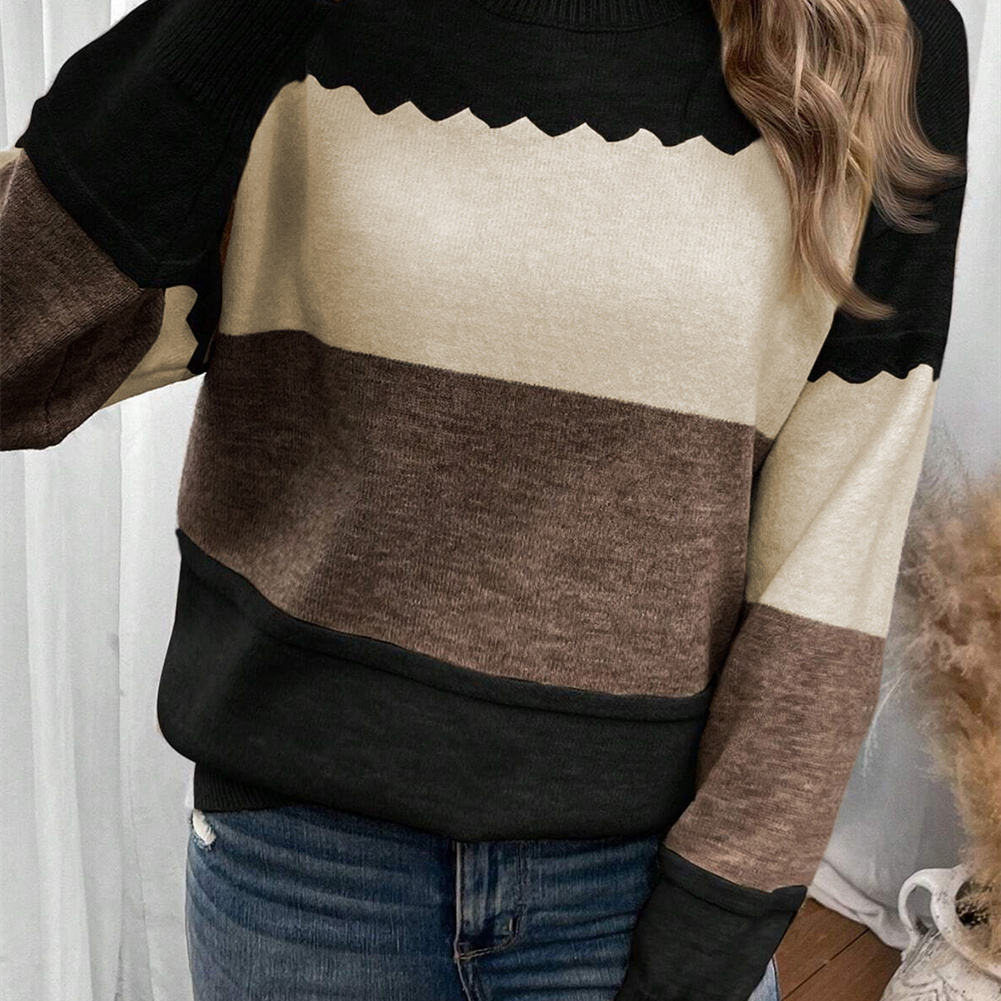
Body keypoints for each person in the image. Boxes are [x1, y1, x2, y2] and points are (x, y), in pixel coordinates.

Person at [0, 0, 970, 997]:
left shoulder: (879, 41)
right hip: (304, 882)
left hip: (634, 889)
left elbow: (827, 564)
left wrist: (708, 937)